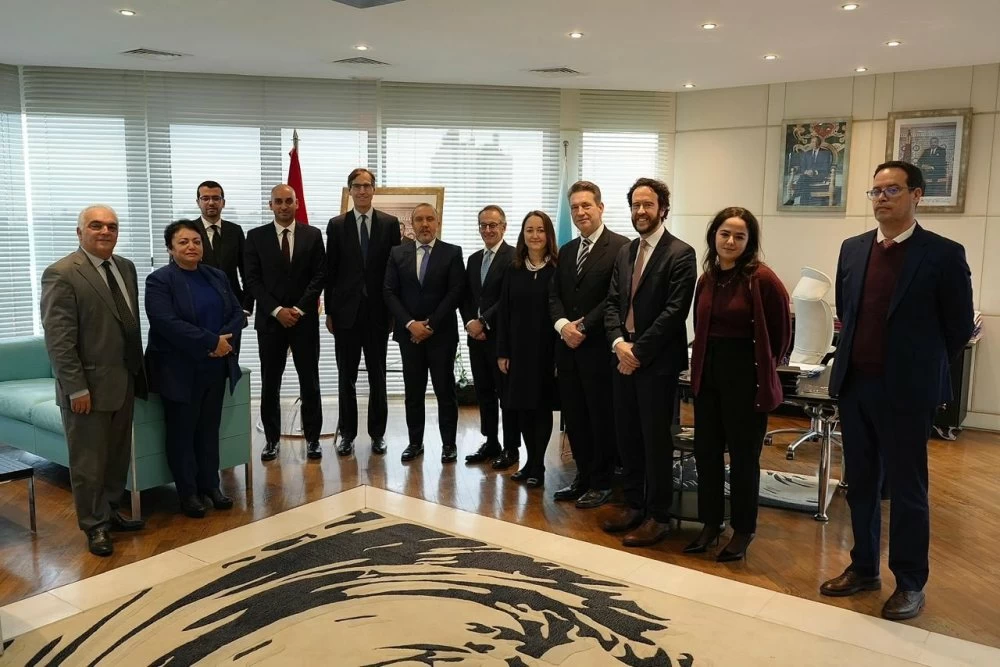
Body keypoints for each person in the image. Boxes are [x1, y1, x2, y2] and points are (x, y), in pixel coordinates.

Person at [821, 161, 974, 620]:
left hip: (907, 393)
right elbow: (848, 313)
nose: (882, 198)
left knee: (907, 489)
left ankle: (909, 583)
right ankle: (864, 567)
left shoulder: (943, 254)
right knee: (861, 484)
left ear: (917, 195)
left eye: (892, 190)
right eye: (876, 191)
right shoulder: (852, 249)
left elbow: (957, 328)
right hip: (857, 386)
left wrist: (919, 369)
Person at [40, 204, 148, 556]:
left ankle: (111, 511)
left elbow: (127, 324)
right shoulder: (61, 273)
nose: (105, 231)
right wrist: (76, 388)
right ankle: (94, 526)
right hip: (86, 388)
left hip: (124, 380)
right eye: (96, 225)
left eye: (112, 226)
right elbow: (59, 340)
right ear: (80, 232)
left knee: (117, 457)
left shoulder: (126, 267)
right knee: (88, 463)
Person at [684, 207, 791, 561]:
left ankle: (743, 529)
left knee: (744, 459)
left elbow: (781, 334)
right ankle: (711, 523)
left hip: (747, 380)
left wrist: (765, 368)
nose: (730, 241)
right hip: (709, 377)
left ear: (749, 241)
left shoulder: (762, 279)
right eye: (725, 234)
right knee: (707, 455)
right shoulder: (707, 279)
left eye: (739, 236)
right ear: (713, 236)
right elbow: (700, 328)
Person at [602, 178, 696, 548]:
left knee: (655, 441)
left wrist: (637, 353)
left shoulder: (681, 253)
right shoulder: (626, 252)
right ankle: (634, 504)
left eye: (648, 205)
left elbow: (674, 312)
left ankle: (658, 516)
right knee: (626, 436)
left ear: (663, 209)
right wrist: (618, 344)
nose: (641, 211)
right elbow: (613, 303)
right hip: (622, 355)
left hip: (656, 362)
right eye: (636, 205)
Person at [145, 220, 247, 518]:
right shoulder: (159, 281)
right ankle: (188, 492)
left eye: (196, 241)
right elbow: (165, 322)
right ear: (170, 248)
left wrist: (222, 343)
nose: (191, 246)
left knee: (208, 431)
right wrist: (211, 341)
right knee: (182, 433)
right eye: (183, 242)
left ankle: (210, 486)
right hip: (178, 370)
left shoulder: (216, 275)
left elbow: (237, 313)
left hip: (214, 367)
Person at [549, 181, 629, 508]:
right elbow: (554, 295)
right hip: (568, 350)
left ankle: (602, 481)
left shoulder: (622, 248)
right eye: (575, 207)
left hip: (599, 350)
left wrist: (582, 325)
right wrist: (563, 326)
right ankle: (582, 476)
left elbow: (616, 297)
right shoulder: (567, 250)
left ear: (600, 207)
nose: (580, 212)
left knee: (601, 418)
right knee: (575, 419)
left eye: (586, 205)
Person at [244, 184, 326, 462]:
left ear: (297, 203)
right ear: (270, 205)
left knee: (310, 382)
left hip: (304, 321)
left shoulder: (312, 235)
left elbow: (320, 276)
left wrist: (299, 309)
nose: (283, 206)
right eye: (278, 201)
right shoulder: (255, 237)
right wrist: (277, 310)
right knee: (270, 383)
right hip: (270, 322)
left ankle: (312, 439)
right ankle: (271, 440)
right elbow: (252, 280)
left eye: (288, 201)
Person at [325, 168, 401, 457]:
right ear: (350, 190)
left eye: (367, 185)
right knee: (346, 376)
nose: (362, 191)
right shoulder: (336, 225)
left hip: (378, 313)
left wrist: (393, 312)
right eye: (357, 186)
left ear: (373, 189)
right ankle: (347, 434)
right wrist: (329, 311)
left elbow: (394, 271)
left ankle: (378, 434)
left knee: (377, 376)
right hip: (345, 314)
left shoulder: (389, 224)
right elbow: (331, 272)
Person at [384, 203, 465, 463]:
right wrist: (410, 324)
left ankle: (449, 445)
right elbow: (389, 292)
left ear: (437, 222)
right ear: (412, 224)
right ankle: (415, 443)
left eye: (430, 218)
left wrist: (430, 325)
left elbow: (455, 292)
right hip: (409, 336)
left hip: (441, 335)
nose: (425, 224)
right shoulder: (397, 253)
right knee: (413, 392)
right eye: (419, 219)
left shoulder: (452, 252)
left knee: (445, 392)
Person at [496, 211, 559, 488]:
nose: (535, 235)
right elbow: (504, 313)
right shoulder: (514, 268)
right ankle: (529, 462)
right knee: (521, 408)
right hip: (517, 351)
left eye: (540, 230)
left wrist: (558, 357)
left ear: (548, 235)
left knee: (540, 409)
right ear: (523, 234)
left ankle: (539, 465)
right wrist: (502, 351)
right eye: (529, 230)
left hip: (546, 352)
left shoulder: (557, 269)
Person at [460, 205, 518, 467]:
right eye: (483, 225)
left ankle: (511, 448)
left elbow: (508, 299)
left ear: (504, 227)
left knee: (506, 395)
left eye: (493, 225)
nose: (487, 230)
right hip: (476, 340)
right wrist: (470, 323)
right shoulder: (474, 259)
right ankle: (491, 442)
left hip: (501, 339)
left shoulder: (514, 257)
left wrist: (483, 322)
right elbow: (466, 297)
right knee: (484, 392)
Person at [194, 180, 253, 316]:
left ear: (223, 202)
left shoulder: (235, 231)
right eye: (205, 198)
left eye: (216, 198)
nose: (211, 203)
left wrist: (246, 307)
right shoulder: (188, 231)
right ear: (198, 202)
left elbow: (247, 272)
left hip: (234, 307)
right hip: (198, 307)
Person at [791, 135, 833, 205]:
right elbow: (802, 166)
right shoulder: (807, 153)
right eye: (813, 142)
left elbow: (826, 168)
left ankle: (793, 198)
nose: (814, 144)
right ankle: (804, 202)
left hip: (819, 176)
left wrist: (814, 172)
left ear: (819, 143)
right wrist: (806, 171)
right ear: (811, 143)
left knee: (803, 178)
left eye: (816, 142)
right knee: (804, 179)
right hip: (807, 176)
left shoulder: (825, 153)